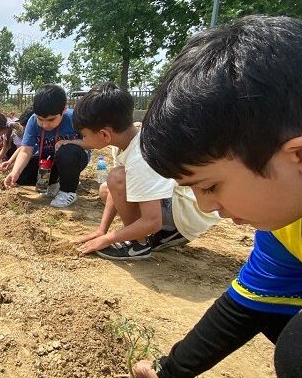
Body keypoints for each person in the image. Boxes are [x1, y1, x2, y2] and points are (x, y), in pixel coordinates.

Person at [129, 16, 302, 378]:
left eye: (210, 187)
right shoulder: (286, 220)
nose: (206, 208)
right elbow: (246, 304)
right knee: (286, 317)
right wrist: (170, 369)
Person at [71, 82, 219, 260]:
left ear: (105, 135)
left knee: (117, 178)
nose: (83, 140)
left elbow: (152, 221)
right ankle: (145, 236)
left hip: (185, 219)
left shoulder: (140, 157)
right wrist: (101, 230)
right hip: (173, 204)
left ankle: (140, 244)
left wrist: (107, 239)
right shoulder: (126, 142)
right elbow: (115, 189)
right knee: (107, 188)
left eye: (85, 135)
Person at [3, 84, 90, 208]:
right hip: (48, 160)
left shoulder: (75, 119)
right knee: (21, 175)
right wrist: (15, 173)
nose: (45, 125)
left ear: (64, 110)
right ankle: (53, 183)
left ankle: (68, 191)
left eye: (51, 120)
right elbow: (26, 151)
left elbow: (92, 143)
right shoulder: (33, 121)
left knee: (68, 151)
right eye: (40, 119)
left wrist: (70, 142)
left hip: (74, 159)